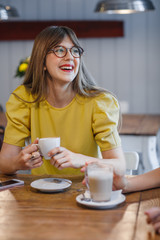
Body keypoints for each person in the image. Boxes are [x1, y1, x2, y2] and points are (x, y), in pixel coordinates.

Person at [0, 25, 125, 177]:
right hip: (40, 195)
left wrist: (80, 160)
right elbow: (4, 162)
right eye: (59, 50)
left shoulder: (99, 102)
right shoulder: (24, 99)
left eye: (75, 51)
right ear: (42, 61)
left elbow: (119, 167)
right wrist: (18, 163)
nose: (70, 57)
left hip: (87, 193)